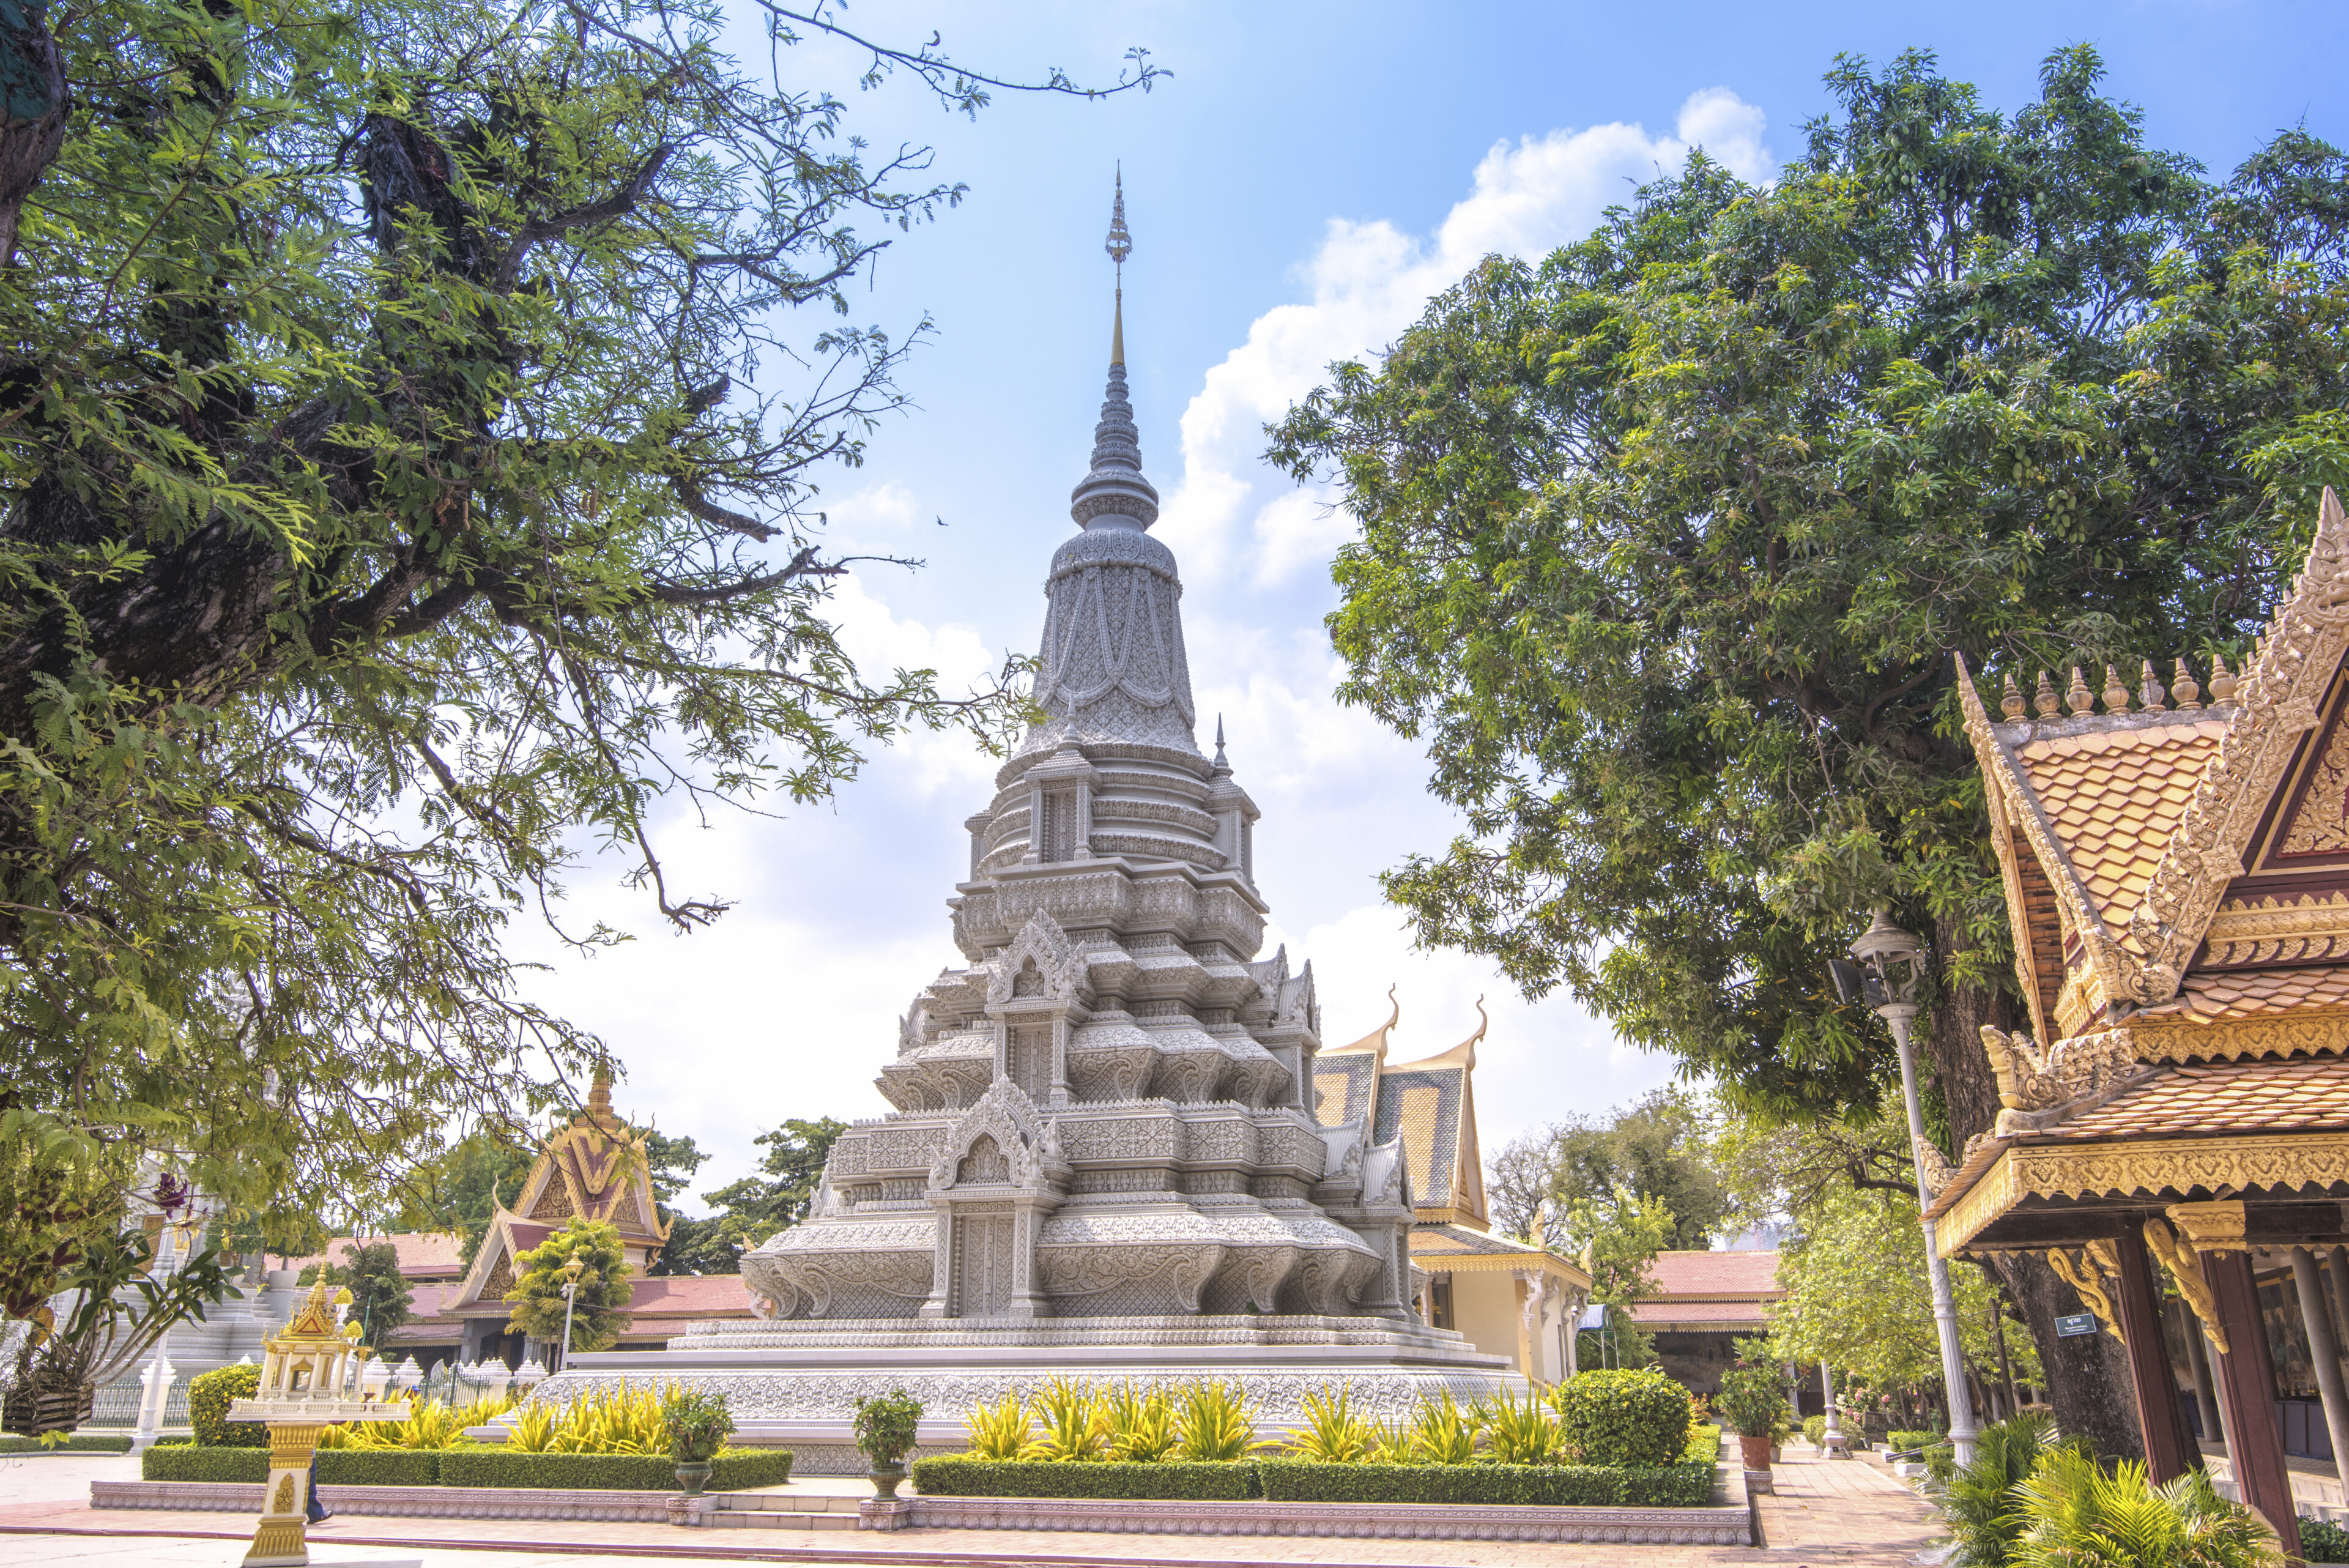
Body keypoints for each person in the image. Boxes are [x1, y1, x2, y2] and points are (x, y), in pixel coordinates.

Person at [305, 1449, 332, 1524]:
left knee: (309, 1486)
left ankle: (315, 1514)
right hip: (303, 1454)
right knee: (308, 1487)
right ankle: (315, 1514)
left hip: (307, 1454)